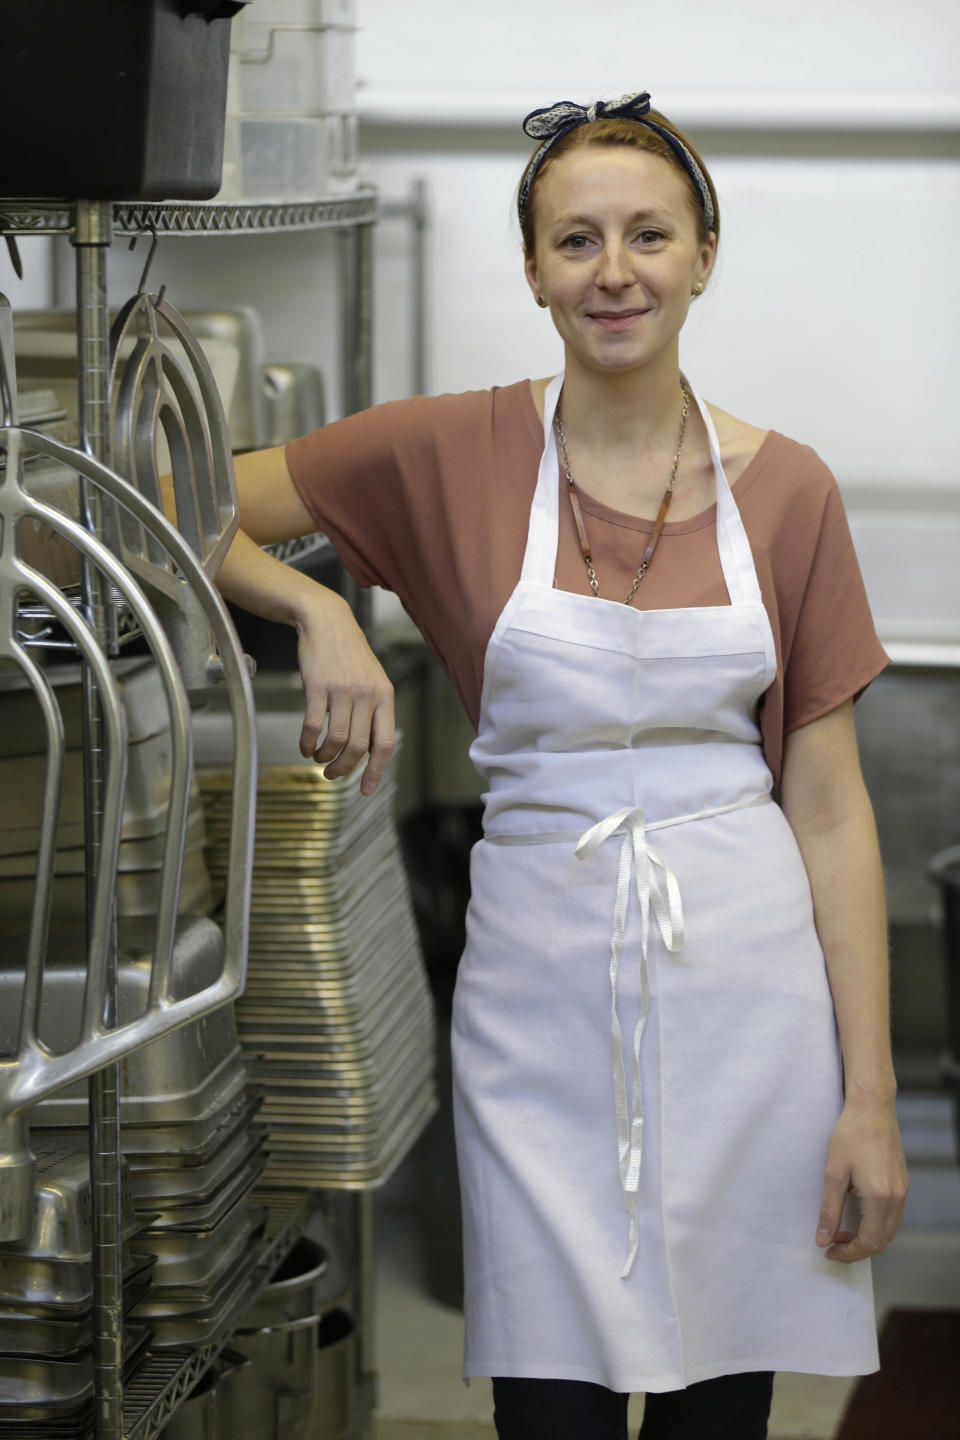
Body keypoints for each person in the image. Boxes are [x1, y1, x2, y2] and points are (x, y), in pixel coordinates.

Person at [215, 91, 909, 1440]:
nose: (615, 270)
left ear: (706, 252)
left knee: (722, 1407)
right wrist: (317, 611)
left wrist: (867, 1099)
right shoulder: (448, 451)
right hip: (537, 993)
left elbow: (829, 813)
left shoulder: (792, 491)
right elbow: (176, 497)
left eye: (649, 234)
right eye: (576, 240)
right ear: (532, 269)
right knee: (550, 1407)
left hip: (752, 1008)